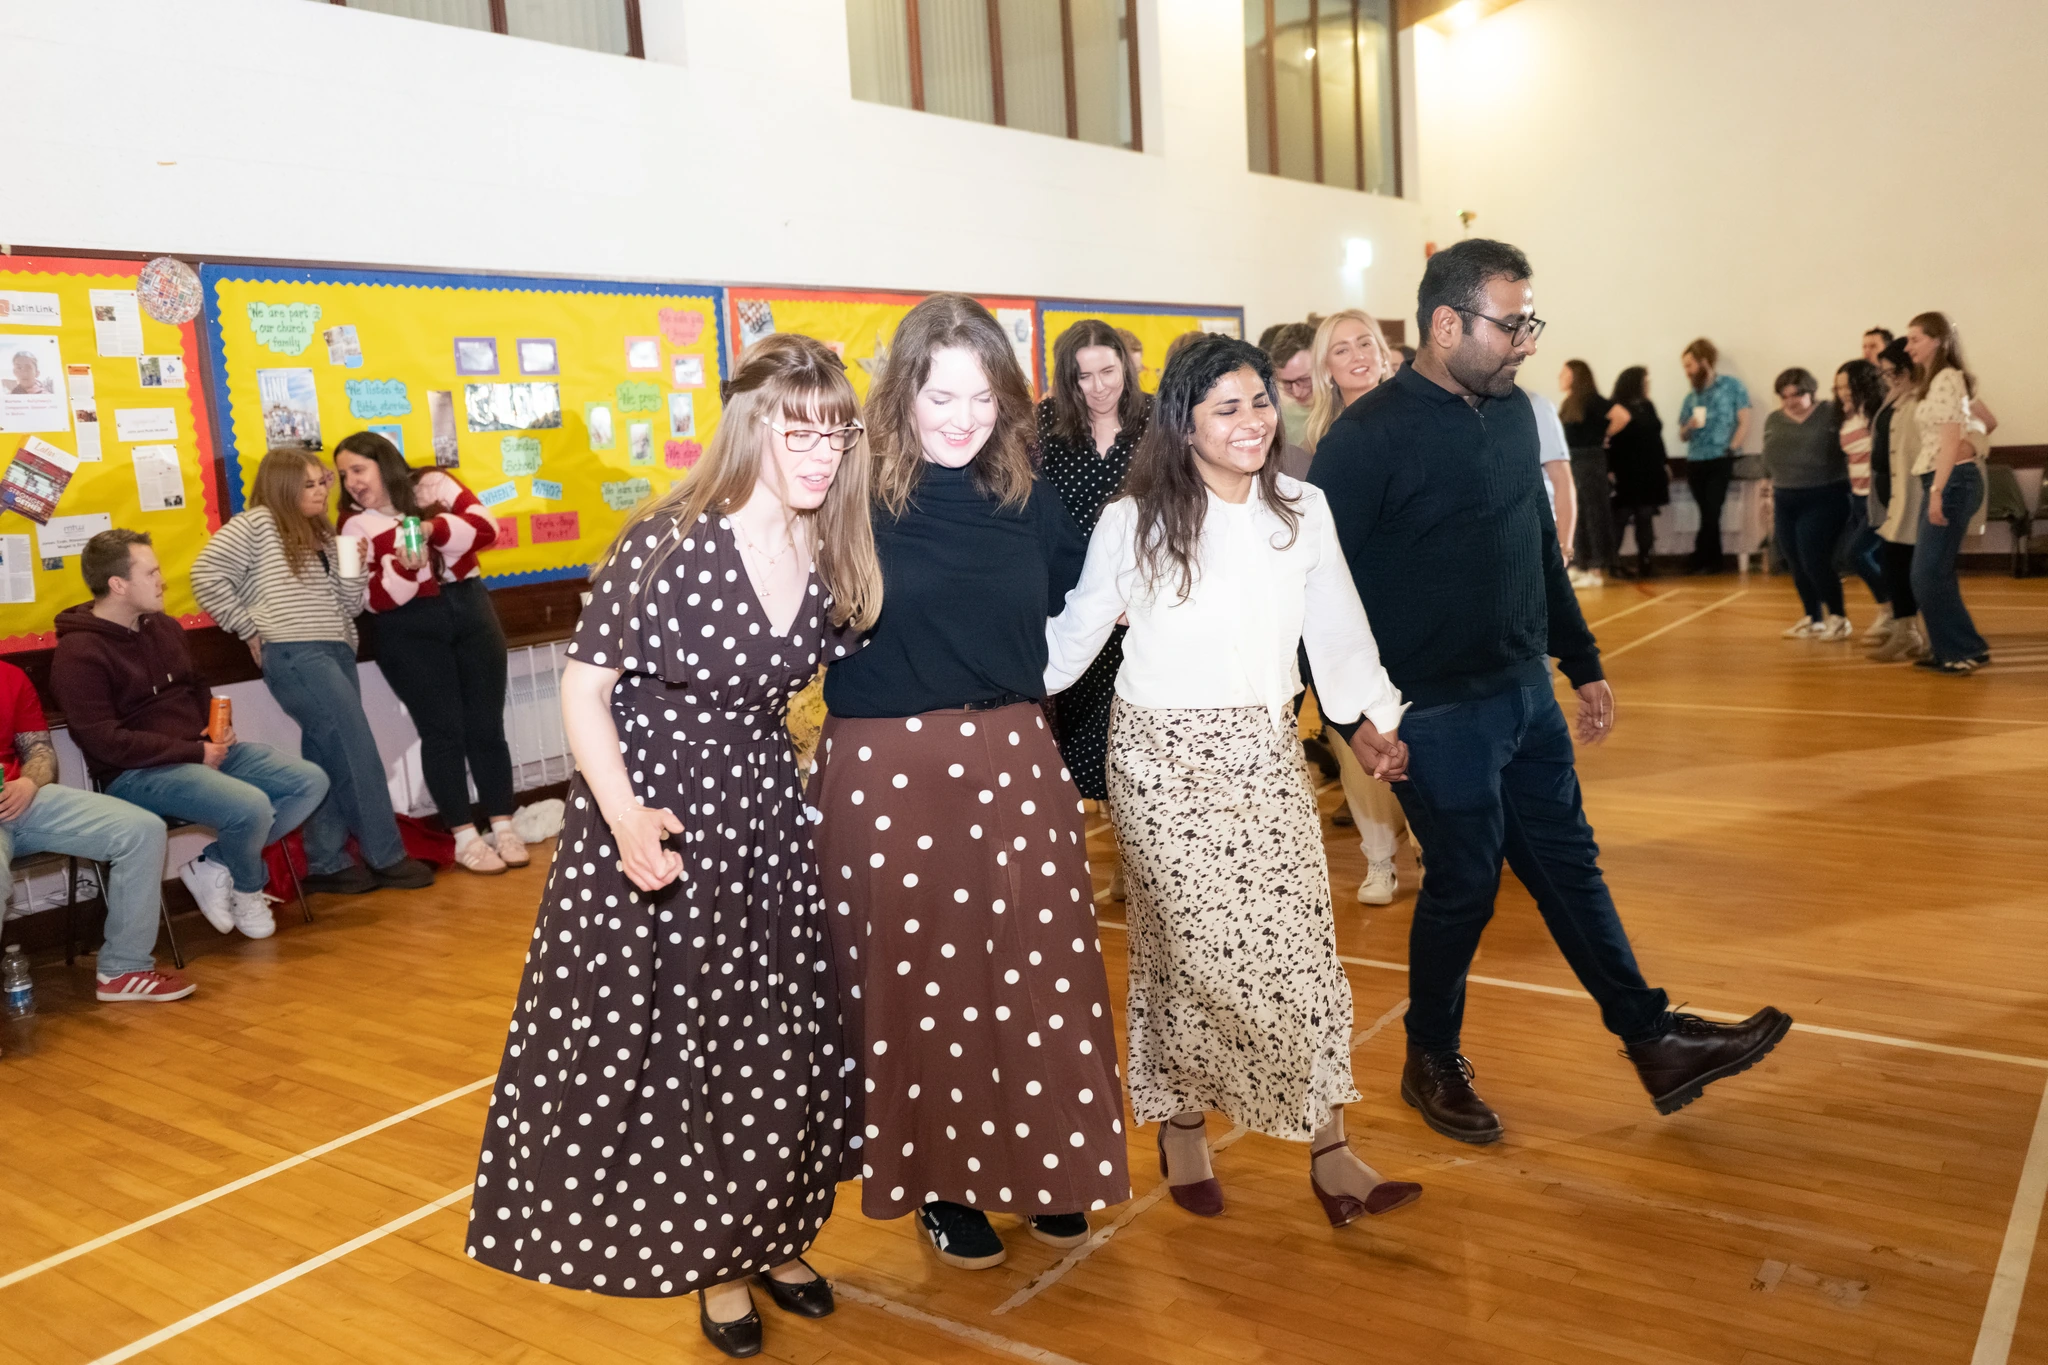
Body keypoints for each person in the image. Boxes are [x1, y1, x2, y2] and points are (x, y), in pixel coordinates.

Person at [1310, 238, 1791, 1143]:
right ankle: (1430, 1057)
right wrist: (1349, 717)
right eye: (1512, 321)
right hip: (1432, 711)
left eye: (1532, 320)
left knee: (1569, 865)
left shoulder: (1512, 414)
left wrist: (1581, 658)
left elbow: (1537, 547)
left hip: (1523, 693)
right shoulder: (1366, 442)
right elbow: (1313, 592)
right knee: (1464, 882)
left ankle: (1652, 1040)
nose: (1527, 339)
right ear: (1446, 324)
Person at [467, 334, 878, 1360]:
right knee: (690, 1055)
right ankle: (717, 1263)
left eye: (835, 430)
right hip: (664, 821)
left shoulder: (832, 544)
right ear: (752, 428)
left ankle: (777, 1233)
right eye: (799, 429)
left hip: (765, 821)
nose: (820, 451)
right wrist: (621, 813)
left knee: (775, 1039)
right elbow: (583, 686)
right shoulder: (668, 541)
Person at [1045, 333, 1422, 1226]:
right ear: (1183, 424)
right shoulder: (1131, 522)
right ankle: (1182, 1123)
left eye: (1261, 402)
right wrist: (968, 693)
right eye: (1229, 407)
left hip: (1264, 756)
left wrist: (1372, 718)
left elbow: (1338, 627)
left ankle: (1333, 1153)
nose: (1255, 421)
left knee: (1300, 956)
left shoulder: (1302, 508)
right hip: (1160, 767)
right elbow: (1068, 643)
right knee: (1195, 959)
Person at [809, 293, 1129, 1272]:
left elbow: (1090, 602)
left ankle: (1050, 1168)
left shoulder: (1027, 498)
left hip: (1016, 762)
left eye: (980, 396)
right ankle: (941, 1184)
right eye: (938, 394)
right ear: (900, 393)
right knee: (925, 991)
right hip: (887, 775)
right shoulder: (846, 498)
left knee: (1038, 975)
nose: (959, 416)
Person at [51, 530, 329, 942]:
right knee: (250, 805)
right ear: (118, 585)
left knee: (309, 782)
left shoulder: (163, 626)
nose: (162, 580)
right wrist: (193, 752)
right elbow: (104, 742)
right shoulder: (77, 654)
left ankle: (214, 864)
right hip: (137, 774)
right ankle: (249, 888)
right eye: (152, 572)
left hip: (203, 752)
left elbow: (195, 683)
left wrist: (216, 727)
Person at [192, 448, 435, 895]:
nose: (323, 490)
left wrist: (356, 568)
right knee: (355, 749)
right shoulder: (258, 523)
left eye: (323, 481)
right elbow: (205, 573)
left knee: (328, 754)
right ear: (283, 487)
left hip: (335, 647)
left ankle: (326, 861)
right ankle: (387, 854)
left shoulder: (321, 531)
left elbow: (347, 605)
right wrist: (248, 628)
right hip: (295, 652)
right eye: (309, 484)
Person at [334, 432, 525, 875]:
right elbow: (374, 600)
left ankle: (504, 825)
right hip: (408, 630)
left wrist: (430, 528)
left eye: (359, 470)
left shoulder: (433, 485)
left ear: (384, 463)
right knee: (443, 731)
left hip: (471, 607)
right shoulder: (353, 525)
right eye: (344, 476)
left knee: (486, 725)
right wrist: (404, 565)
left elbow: (485, 528)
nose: (353, 483)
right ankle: (464, 837)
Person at [1301, 306, 1413, 906]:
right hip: (1345, 614)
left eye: (1364, 342)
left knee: (1417, 729)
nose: (1357, 355)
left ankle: (1434, 844)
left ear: (1384, 351)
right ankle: (1379, 859)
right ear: (1326, 368)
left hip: (1412, 607)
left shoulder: (1422, 416)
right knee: (1356, 735)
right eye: (1340, 349)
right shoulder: (1315, 446)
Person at [1036, 320, 1150, 906]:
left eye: (1108, 371)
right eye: (1083, 377)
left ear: (1126, 367)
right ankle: (1084, 867)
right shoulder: (1045, 430)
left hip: (1140, 607)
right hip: (1071, 605)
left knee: (1135, 744)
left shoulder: (1158, 423)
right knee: (1078, 748)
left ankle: (1137, 868)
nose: (1099, 387)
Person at [0, 660, 189, 1001]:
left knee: (141, 829)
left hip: (21, 799)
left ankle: (124, 969)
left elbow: (40, 750)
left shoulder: (9, 676)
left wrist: (29, 782)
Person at [1904, 312, 1991, 674]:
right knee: (1933, 571)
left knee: (1927, 573)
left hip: (1951, 481)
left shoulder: (1946, 378)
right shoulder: (1938, 381)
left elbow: (1951, 436)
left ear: (1937, 341)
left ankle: (1961, 651)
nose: (1908, 347)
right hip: (1945, 479)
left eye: (1915, 339)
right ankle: (1959, 648)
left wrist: (1938, 490)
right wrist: (1975, 442)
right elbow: (1985, 420)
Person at [1762, 367, 1852, 640]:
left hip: (1825, 494)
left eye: (1797, 394)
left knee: (1814, 557)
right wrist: (1766, 489)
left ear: (1811, 392)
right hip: (1786, 496)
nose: (1791, 401)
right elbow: (1769, 458)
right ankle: (1813, 618)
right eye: (1785, 396)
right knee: (1795, 560)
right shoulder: (1773, 420)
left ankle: (1838, 617)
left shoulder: (1830, 412)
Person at [1867, 340, 1927, 663]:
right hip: (1891, 494)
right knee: (1893, 563)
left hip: (1914, 493)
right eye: (1884, 373)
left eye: (1892, 371)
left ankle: (1917, 634)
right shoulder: (1896, 395)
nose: (1887, 378)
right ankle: (1907, 631)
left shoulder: (1925, 395)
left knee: (1910, 566)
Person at [1676, 339, 1753, 574]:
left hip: (1721, 458)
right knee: (1707, 511)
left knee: (1712, 510)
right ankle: (1710, 560)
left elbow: (1744, 420)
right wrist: (1688, 426)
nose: (1687, 371)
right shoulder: (1691, 397)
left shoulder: (1732, 386)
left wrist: (1732, 447)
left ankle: (1703, 558)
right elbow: (1682, 435)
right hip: (1695, 460)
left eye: (1690, 365)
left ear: (1704, 362)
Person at [1831, 360, 1892, 638]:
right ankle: (1897, 615)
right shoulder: (1845, 415)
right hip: (1857, 497)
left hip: (1878, 498)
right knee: (1877, 557)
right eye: (1839, 386)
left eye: (1848, 386)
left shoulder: (1877, 413)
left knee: (1855, 553)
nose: (1843, 391)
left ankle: (1889, 608)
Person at [1558, 360, 1627, 585]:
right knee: (1576, 513)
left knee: (1592, 511)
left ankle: (1596, 568)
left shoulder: (1593, 400)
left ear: (1576, 376)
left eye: (1565, 373)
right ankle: (1580, 562)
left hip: (1590, 461)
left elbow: (1622, 416)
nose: (1560, 376)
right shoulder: (1570, 403)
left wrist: (1603, 435)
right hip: (1574, 462)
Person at [1605, 366, 1670, 577]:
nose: (1648, 385)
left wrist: (1664, 463)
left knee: (1645, 515)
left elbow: (1657, 438)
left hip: (1650, 470)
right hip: (1625, 470)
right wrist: (1609, 469)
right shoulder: (1616, 407)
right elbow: (1608, 442)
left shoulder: (1648, 406)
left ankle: (1645, 559)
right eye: (1645, 381)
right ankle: (1612, 562)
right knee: (1621, 516)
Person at [1266, 321, 1318, 451]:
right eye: (1287, 383)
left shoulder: (1345, 408)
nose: (1297, 392)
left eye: (1305, 380)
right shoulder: (1276, 416)